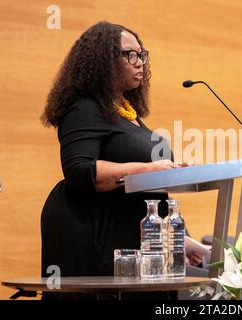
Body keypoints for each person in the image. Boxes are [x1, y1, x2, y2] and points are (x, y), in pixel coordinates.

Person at [40, 21, 199, 300]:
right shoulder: (84, 108)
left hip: (134, 235)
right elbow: (79, 171)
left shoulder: (129, 113)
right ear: (103, 60)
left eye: (142, 54)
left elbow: (147, 196)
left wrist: (179, 239)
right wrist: (149, 168)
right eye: (130, 54)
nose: (140, 62)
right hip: (96, 234)